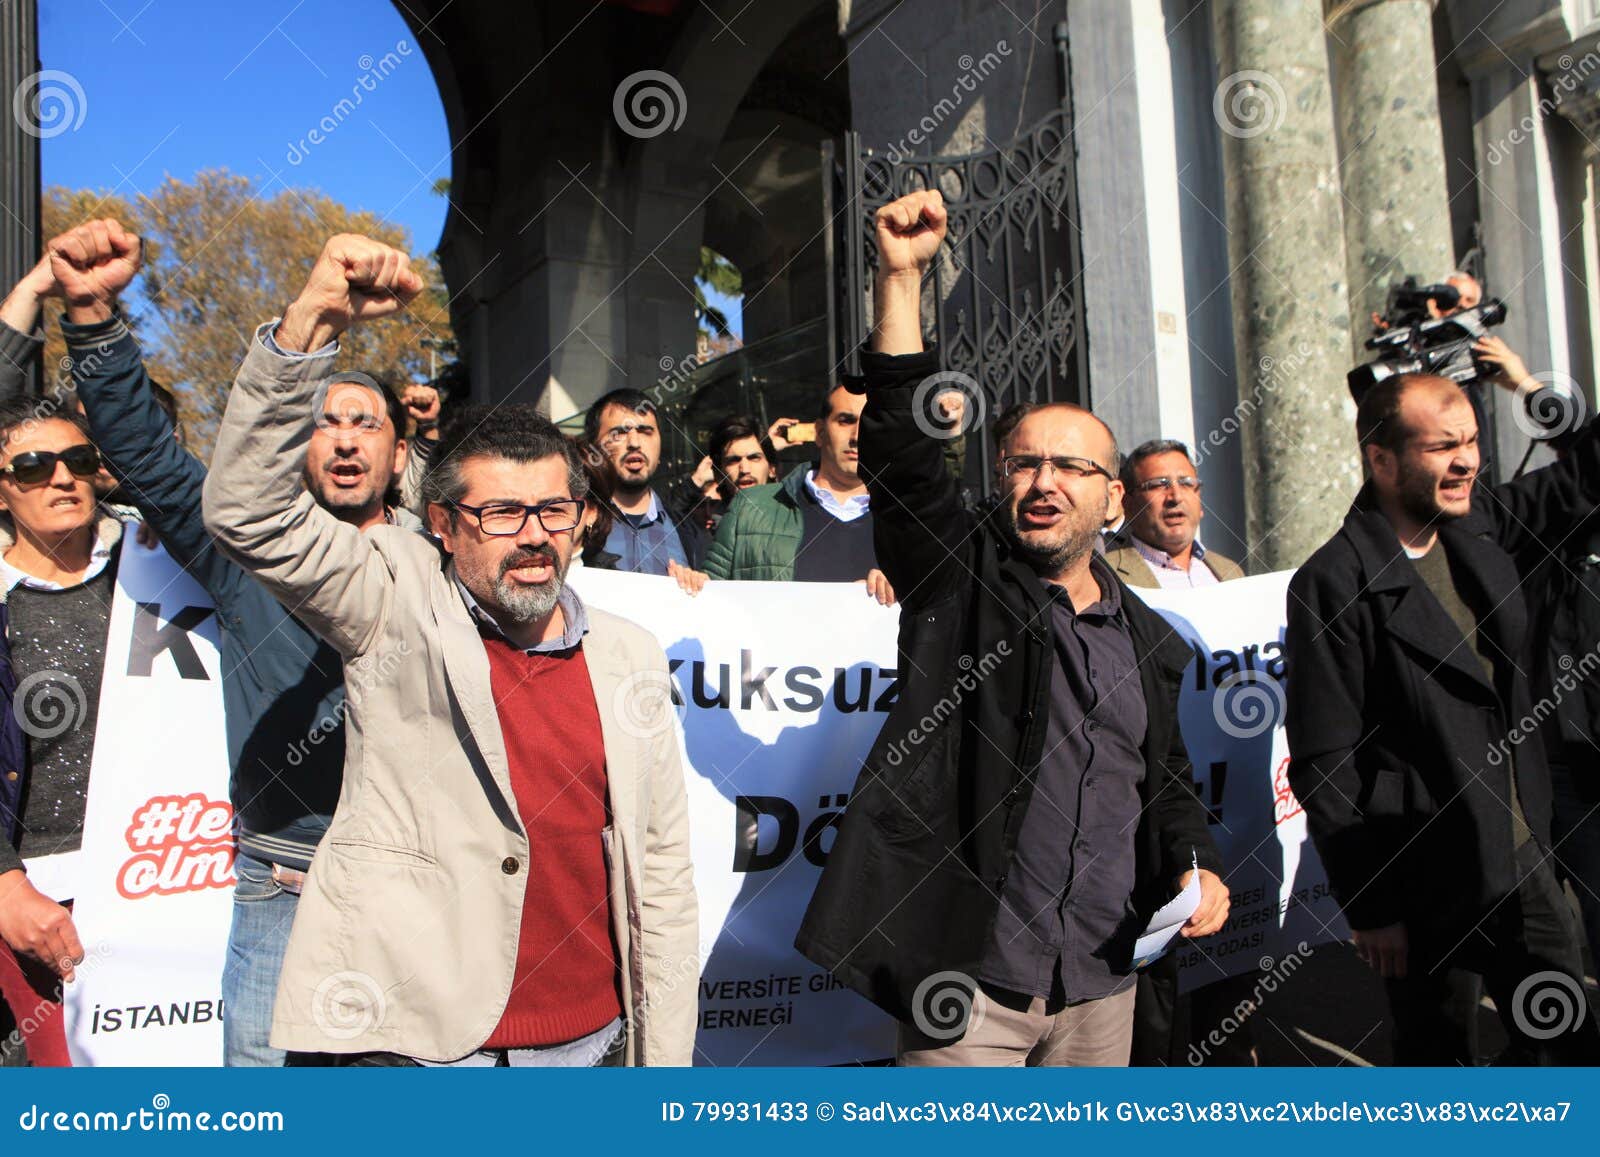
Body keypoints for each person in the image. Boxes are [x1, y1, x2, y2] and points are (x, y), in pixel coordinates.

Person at [201, 233, 698, 1066]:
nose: (534, 535)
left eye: (554, 510)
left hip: (596, 1046)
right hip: (424, 1052)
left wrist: (665, 1060)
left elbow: (661, 866)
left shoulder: (630, 654)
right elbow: (246, 510)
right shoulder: (392, 598)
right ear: (441, 525)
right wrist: (312, 321)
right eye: (501, 513)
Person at [796, 188, 1228, 1067]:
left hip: (1105, 989)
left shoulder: (1148, 639)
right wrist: (901, 280)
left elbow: (1168, 781)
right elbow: (908, 464)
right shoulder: (959, 583)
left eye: (1071, 466)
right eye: (1025, 462)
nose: (1044, 482)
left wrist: (1196, 864)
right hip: (970, 993)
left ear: (1113, 499)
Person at [35, 218, 426, 1067]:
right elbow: (139, 446)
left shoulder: (445, 566)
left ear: (399, 454)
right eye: (324, 421)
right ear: (299, 445)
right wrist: (95, 317)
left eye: (367, 421)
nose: (347, 436)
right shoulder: (239, 547)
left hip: (421, 890)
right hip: (282, 890)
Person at [1286, 370, 1600, 1065]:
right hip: (1424, 869)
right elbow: (1325, 759)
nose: (1465, 460)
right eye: (1441, 447)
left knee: (1567, 1043)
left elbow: (1581, 480)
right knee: (1440, 1062)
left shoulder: (1477, 523)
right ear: (1382, 459)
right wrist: (1372, 906)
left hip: (1522, 855)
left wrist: (1528, 382)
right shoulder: (1334, 581)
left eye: (1472, 442)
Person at [0, 398, 126, 1066]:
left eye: (78, 459)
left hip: (164, 883)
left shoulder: (159, 571)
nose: (61, 477)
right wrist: (5, 885)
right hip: (37, 902)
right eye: (31, 465)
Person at [702, 387, 896, 605]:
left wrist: (903, 590)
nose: (857, 436)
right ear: (820, 432)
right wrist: (687, 583)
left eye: (871, 422)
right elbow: (707, 599)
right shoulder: (750, 507)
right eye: (845, 421)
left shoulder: (909, 522)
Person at [582, 388, 705, 577]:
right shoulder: (572, 527)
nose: (634, 443)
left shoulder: (693, 534)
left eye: (645, 431)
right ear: (593, 449)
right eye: (619, 433)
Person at [1104, 439, 1244, 589]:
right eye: (1159, 484)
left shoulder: (1231, 572)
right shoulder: (1104, 576)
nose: (1176, 497)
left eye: (1186, 483)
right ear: (1128, 504)